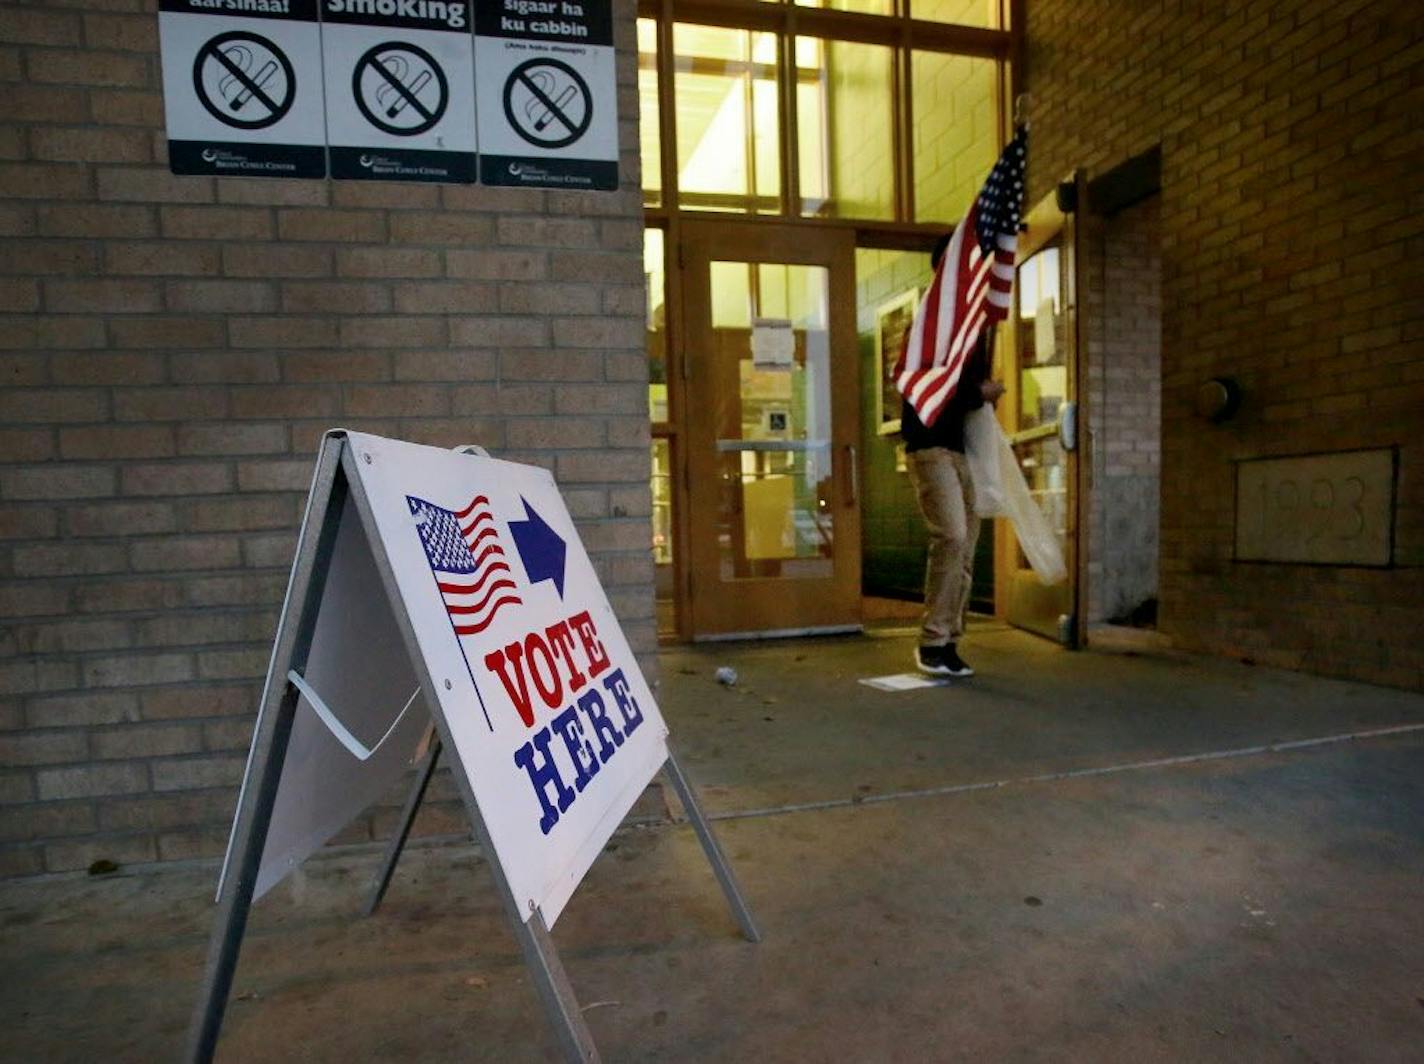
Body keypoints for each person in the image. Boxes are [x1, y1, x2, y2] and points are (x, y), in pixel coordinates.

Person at [902, 236, 1005, 677]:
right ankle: (932, 640)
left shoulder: (970, 327)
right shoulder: (931, 321)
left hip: (959, 448)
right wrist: (977, 391)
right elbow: (922, 382)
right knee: (952, 538)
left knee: (966, 547)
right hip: (930, 445)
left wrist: (980, 394)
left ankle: (947, 640)